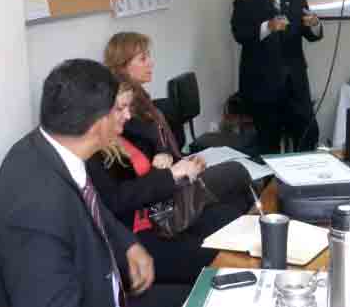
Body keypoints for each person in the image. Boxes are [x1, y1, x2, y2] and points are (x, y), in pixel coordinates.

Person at [0, 59, 189, 307]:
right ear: (96, 125)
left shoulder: (47, 147)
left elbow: (93, 205)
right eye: (118, 110)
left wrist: (127, 244)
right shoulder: (36, 213)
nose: (127, 116)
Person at [100, 32, 252, 283]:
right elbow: (125, 195)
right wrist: (172, 172)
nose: (126, 115)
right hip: (158, 212)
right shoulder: (106, 146)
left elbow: (156, 161)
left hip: (165, 195)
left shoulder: (136, 113)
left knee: (232, 210)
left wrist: (178, 164)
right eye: (143, 58)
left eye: (127, 108)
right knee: (236, 175)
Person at [231, 0, 323, 154]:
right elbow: (240, 34)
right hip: (262, 89)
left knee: (308, 135)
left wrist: (315, 24)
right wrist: (268, 27)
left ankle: (303, 174)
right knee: (268, 146)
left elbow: (312, 35)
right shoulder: (244, 2)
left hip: (296, 87)